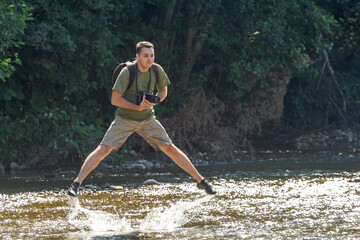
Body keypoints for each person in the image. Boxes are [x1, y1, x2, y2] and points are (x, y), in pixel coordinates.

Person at [67, 41, 216, 197]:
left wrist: (155, 100)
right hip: (125, 118)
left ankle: (202, 182)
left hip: (148, 119)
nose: (149, 59)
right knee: (103, 149)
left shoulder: (157, 70)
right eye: (145, 56)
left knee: (169, 148)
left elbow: (163, 90)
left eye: (151, 56)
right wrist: (136, 107)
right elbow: (115, 99)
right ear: (137, 57)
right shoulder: (127, 73)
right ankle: (76, 184)